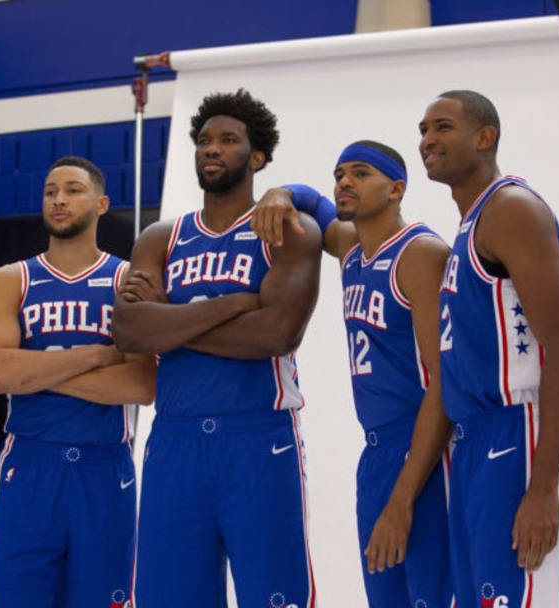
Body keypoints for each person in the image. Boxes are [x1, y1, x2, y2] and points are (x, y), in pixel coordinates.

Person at [113, 89, 322, 608]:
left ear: (256, 157)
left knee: (275, 597)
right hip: (175, 440)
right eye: (204, 140)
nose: (212, 149)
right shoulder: (162, 237)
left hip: (258, 437)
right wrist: (236, 303)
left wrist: (172, 322)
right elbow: (130, 332)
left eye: (228, 140)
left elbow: (276, 336)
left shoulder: (291, 232)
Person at [250, 140, 454, 607]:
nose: (344, 182)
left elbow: (444, 385)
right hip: (378, 451)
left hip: (424, 450)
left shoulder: (420, 253)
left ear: (396, 189)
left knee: (433, 596)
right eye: (340, 173)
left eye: (361, 173)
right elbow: (315, 203)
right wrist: (281, 192)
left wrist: (403, 501)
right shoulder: (349, 246)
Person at [420, 90, 559, 607]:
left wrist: (542, 489)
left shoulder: (511, 209)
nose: (428, 140)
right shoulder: (469, 226)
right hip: (474, 444)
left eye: (442, 127)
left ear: (485, 136)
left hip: (519, 436)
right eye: (423, 130)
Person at [0, 156, 156, 608]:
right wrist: (95, 355)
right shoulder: (10, 280)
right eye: (51, 190)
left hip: (105, 465)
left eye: (73, 189)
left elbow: (142, 384)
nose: (59, 199)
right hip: (29, 463)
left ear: (100, 203)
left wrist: (34, 371)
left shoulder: (128, 280)